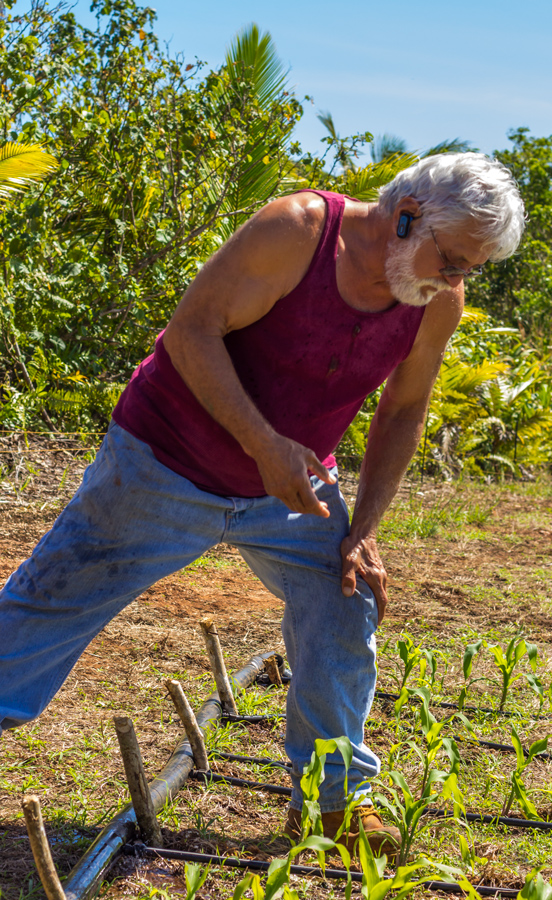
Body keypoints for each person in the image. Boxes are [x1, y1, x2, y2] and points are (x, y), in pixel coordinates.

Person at [0, 152, 525, 854]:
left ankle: (330, 802)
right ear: (406, 217)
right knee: (51, 600)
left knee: (345, 597)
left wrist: (362, 528)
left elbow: (404, 407)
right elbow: (191, 331)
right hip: (165, 461)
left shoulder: (436, 302)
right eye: (452, 260)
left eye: (469, 271)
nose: (455, 281)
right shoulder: (299, 233)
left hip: (294, 486)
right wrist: (262, 443)